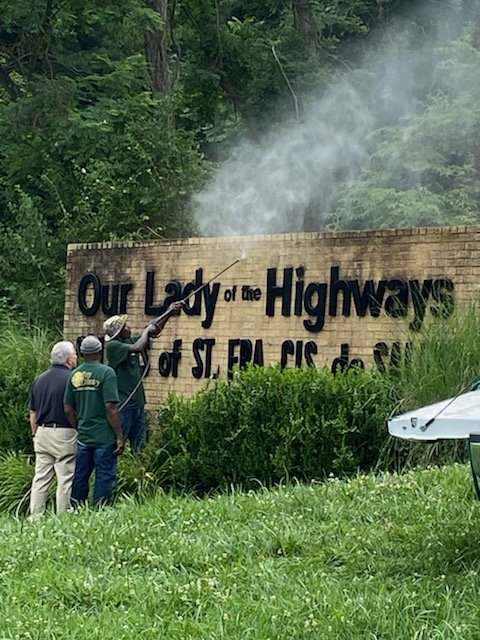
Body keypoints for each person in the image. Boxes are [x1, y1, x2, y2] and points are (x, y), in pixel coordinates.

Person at [103, 302, 182, 450]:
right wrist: (146, 331)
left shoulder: (127, 341)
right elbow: (138, 347)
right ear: (119, 332)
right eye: (125, 326)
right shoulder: (113, 347)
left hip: (137, 405)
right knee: (118, 446)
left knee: (139, 447)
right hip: (124, 406)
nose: (129, 328)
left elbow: (153, 332)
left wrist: (169, 312)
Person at [64, 335, 124, 508]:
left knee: (81, 476)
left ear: (82, 353)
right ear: (99, 352)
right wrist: (119, 435)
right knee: (104, 476)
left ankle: (76, 509)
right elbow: (111, 407)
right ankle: (100, 511)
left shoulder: (75, 375)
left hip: (84, 437)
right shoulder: (107, 373)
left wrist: (78, 426)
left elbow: (68, 409)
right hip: (104, 438)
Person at [29, 340, 78, 517]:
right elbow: (73, 409)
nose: (76, 357)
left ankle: (35, 517)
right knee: (65, 478)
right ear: (69, 359)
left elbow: (33, 412)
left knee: (41, 479)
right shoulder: (72, 379)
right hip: (65, 432)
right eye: (74, 354)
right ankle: (63, 516)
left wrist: (35, 434)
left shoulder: (40, 380)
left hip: (42, 432)